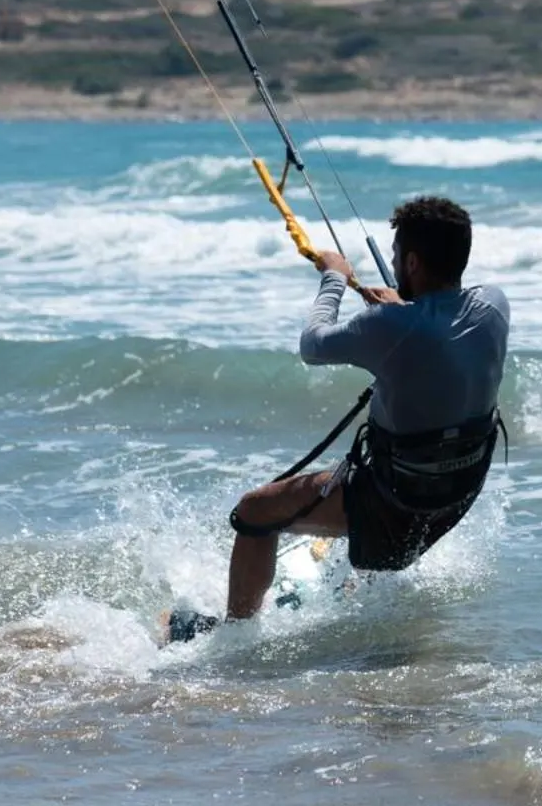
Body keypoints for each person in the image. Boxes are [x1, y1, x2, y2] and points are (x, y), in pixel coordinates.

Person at [174, 196, 510, 638]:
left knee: (254, 511)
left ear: (410, 261)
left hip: (396, 503)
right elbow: (437, 323)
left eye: (395, 255)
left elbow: (313, 344)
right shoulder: (494, 306)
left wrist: (334, 277)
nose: (391, 260)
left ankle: (234, 635)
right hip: (456, 494)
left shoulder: (388, 327)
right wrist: (401, 306)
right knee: (394, 465)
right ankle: (360, 586)